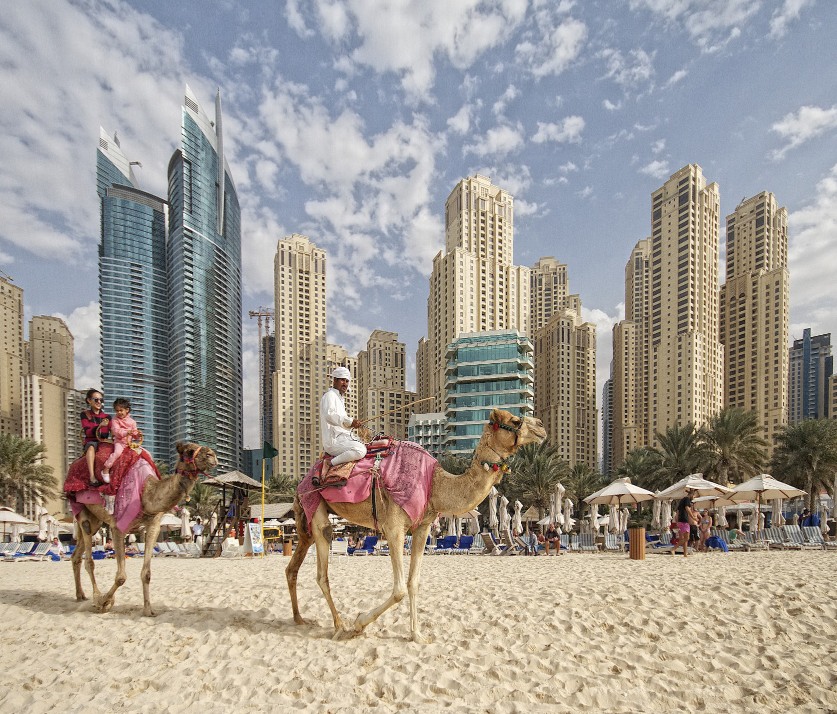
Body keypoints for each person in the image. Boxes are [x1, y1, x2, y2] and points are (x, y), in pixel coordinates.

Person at [320, 366, 366, 466]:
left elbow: (341, 422)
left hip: (343, 438)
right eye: (342, 380)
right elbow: (330, 415)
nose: (345, 383)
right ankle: (330, 463)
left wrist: (352, 424)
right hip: (334, 441)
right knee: (360, 450)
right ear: (335, 380)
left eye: (347, 381)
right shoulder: (330, 395)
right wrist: (350, 421)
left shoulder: (339, 399)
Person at [101, 397, 140, 483]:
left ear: (127, 410)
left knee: (142, 454)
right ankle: (106, 469)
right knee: (117, 453)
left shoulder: (132, 422)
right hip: (120, 443)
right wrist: (127, 432)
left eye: (121, 410)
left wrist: (137, 435)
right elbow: (116, 431)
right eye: (117, 410)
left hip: (130, 444)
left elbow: (135, 434)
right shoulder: (115, 420)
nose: (119, 412)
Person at [80, 388, 111, 486]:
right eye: (96, 400)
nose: (99, 402)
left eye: (101, 400)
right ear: (89, 400)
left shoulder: (107, 416)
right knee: (91, 447)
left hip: (105, 441)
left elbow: (111, 430)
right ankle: (92, 476)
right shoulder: (85, 414)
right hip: (92, 441)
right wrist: (99, 426)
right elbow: (88, 431)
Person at [676, 489, 699, 557]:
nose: (694, 498)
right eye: (694, 496)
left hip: (681, 520)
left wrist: (677, 521)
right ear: (691, 494)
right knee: (686, 538)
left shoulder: (682, 500)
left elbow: (677, 512)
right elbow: (687, 508)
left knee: (685, 538)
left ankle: (685, 554)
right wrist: (693, 517)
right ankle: (674, 548)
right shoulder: (687, 499)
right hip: (684, 520)